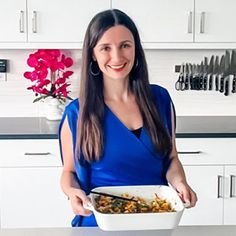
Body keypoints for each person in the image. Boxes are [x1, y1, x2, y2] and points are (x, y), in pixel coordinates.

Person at [59, 9, 197, 227]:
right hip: (100, 223)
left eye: (125, 45)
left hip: (156, 218)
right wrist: (72, 192)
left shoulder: (160, 100)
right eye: (105, 48)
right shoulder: (76, 113)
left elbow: (171, 158)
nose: (117, 57)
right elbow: (69, 172)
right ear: (93, 54)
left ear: (136, 49)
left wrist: (180, 182)